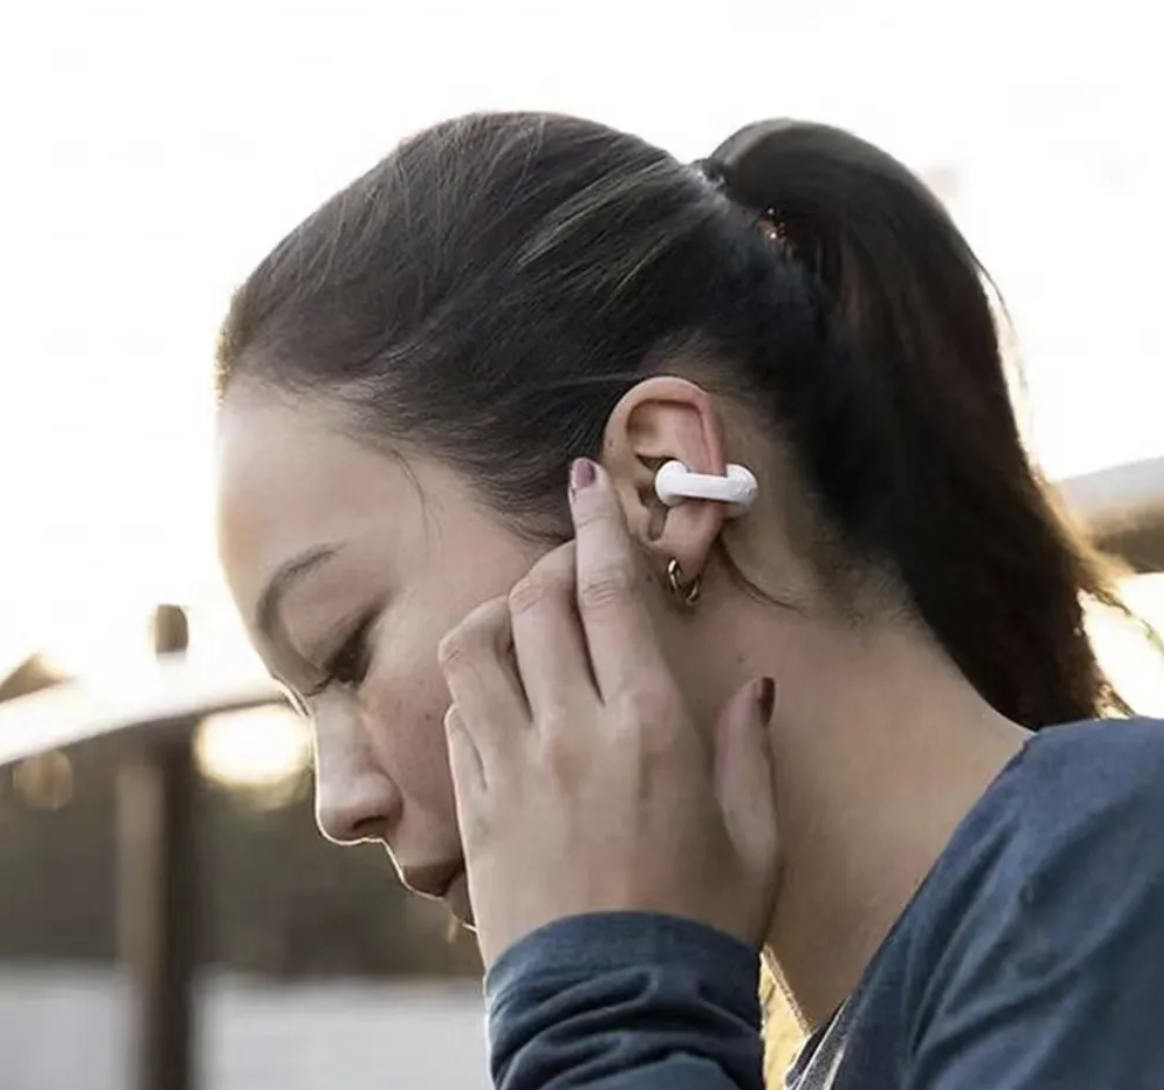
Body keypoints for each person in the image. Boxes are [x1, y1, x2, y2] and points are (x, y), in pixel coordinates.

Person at [213, 112, 1164, 1089]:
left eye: (347, 647)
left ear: (659, 482)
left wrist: (603, 1011)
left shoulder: (1121, 875)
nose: (339, 804)